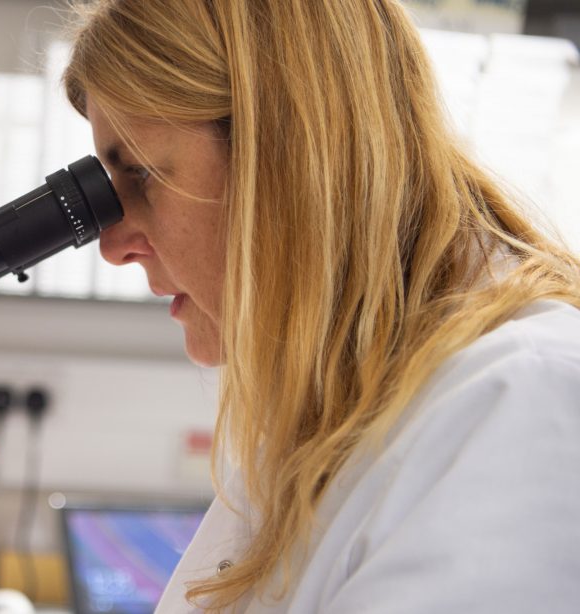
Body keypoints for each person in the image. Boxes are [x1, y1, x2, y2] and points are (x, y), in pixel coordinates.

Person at [63, 1, 580, 612]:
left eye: (143, 174)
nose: (114, 246)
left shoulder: (519, 400)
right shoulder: (328, 416)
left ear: (286, 159)